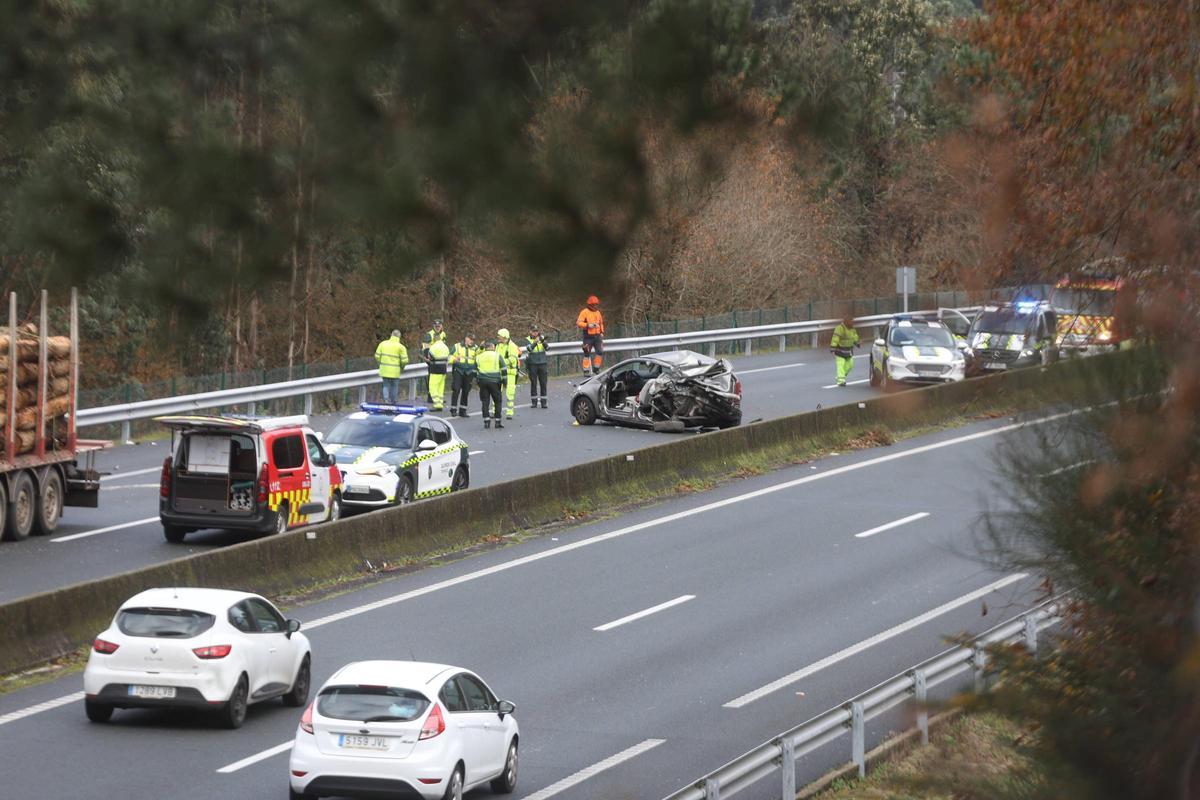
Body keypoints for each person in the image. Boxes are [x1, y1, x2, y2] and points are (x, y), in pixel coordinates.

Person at [474, 340, 507, 429]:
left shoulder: (479, 356)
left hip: (483, 381)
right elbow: (504, 368)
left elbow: (474, 370)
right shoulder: (497, 355)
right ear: (492, 347)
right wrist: (505, 382)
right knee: (497, 401)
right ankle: (497, 422)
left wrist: (477, 381)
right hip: (495, 381)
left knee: (485, 402)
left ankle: (486, 422)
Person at [374, 329, 409, 404]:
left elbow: (377, 356)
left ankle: (386, 400)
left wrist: (381, 362)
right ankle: (393, 401)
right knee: (394, 386)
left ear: (391, 335)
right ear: (399, 337)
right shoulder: (401, 347)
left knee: (385, 385)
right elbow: (405, 360)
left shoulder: (383, 344)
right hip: (395, 371)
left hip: (385, 369)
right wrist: (402, 366)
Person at [448, 334, 479, 418]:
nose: (472, 341)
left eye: (473, 340)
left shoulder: (476, 348)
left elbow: (478, 358)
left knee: (466, 391)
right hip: (458, 371)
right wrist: (454, 359)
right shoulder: (457, 346)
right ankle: (453, 409)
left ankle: (463, 411)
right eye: (470, 339)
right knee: (456, 389)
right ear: (466, 338)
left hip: (469, 372)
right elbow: (449, 356)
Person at [496, 328, 523, 420]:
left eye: (499, 336)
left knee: (510, 393)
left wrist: (501, 362)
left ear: (504, 337)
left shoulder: (512, 346)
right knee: (496, 392)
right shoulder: (498, 345)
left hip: (510, 373)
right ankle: (494, 411)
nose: (497, 337)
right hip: (499, 372)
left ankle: (509, 412)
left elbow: (513, 359)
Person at [577, 295, 605, 375]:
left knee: (599, 352)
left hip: (597, 336)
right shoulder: (584, 312)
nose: (595, 306)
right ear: (590, 304)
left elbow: (601, 323)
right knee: (587, 353)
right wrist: (588, 325)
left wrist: (602, 332)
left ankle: (596, 368)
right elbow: (579, 323)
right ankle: (586, 370)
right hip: (588, 337)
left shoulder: (598, 312)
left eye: (596, 304)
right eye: (594, 304)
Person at [523, 324, 549, 409]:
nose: (535, 333)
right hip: (532, 364)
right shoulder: (527, 339)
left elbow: (548, 348)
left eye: (536, 331)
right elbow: (529, 349)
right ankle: (534, 402)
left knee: (543, 383)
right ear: (530, 331)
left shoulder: (541, 338)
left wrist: (543, 341)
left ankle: (544, 402)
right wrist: (535, 342)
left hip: (542, 363)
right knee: (533, 383)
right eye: (534, 331)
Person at [421, 319, 447, 402]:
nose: (438, 328)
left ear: (442, 326)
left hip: (441, 359)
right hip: (431, 359)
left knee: (440, 379)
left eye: (439, 326)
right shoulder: (429, 335)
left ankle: (438, 397)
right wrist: (428, 359)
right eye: (436, 326)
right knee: (432, 379)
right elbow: (425, 347)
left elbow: (444, 346)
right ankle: (430, 397)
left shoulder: (443, 334)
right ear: (433, 326)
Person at [830, 314, 860, 387]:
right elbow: (835, 339)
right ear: (847, 322)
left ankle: (841, 376)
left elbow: (855, 337)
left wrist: (857, 343)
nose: (853, 323)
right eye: (851, 321)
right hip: (839, 350)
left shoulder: (853, 329)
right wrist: (833, 348)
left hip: (849, 351)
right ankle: (841, 381)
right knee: (840, 365)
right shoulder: (839, 328)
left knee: (850, 365)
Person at [426, 337, 451, 411]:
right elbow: (448, 358)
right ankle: (440, 404)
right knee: (440, 388)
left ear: (434, 339)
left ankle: (436, 404)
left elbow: (429, 357)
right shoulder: (445, 347)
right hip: (443, 370)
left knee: (433, 387)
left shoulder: (433, 347)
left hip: (435, 370)